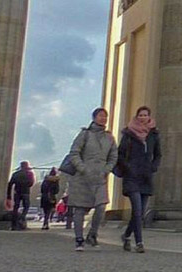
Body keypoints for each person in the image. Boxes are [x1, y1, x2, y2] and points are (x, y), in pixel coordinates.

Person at [65, 107, 118, 251]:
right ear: (94, 118)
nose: (103, 119)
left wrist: (107, 169)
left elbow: (113, 156)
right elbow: (74, 153)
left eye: (105, 116)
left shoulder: (109, 138)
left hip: (100, 177)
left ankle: (92, 235)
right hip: (82, 178)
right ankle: (79, 239)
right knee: (80, 209)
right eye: (101, 116)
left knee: (101, 206)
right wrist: (82, 168)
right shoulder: (84, 134)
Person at [116, 105, 161, 253]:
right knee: (137, 209)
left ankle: (127, 235)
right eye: (140, 115)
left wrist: (153, 166)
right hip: (132, 177)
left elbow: (158, 154)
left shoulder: (153, 135)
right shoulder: (128, 134)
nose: (142, 118)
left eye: (145, 115)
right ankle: (139, 242)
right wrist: (129, 167)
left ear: (149, 117)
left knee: (139, 213)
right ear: (137, 117)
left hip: (146, 177)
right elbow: (120, 154)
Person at [6, 160, 35, 230]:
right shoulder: (29, 174)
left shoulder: (16, 174)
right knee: (26, 206)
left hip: (17, 192)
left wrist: (8, 195)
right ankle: (22, 218)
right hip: (25, 192)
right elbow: (31, 183)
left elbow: (10, 184)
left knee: (16, 208)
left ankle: (14, 225)